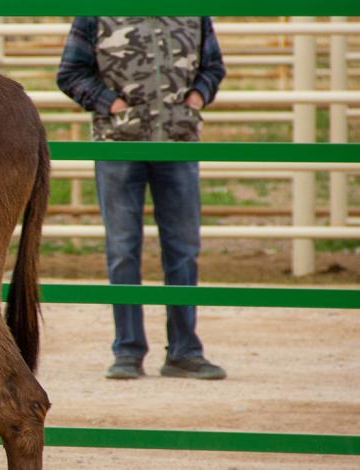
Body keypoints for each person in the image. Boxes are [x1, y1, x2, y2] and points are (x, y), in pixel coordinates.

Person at [57, 16, 228, 380]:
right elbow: (70, 73)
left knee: (183, 249)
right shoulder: (95, 12)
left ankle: (184, 351)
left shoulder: (193, 12)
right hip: (118, 146)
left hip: (179, 144)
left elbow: (213, 66)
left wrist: (198, 96)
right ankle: (128, 350)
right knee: (123, 249)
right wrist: (112, 105)